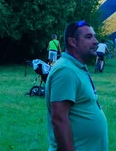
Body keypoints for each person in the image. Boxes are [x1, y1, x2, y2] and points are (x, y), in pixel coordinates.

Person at [45, 21, 108, 151]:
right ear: (73, 42)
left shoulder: (76, 67)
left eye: (94, 36)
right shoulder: (65, 71)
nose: (95, 41)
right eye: (89, 37)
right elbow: (59, 119)